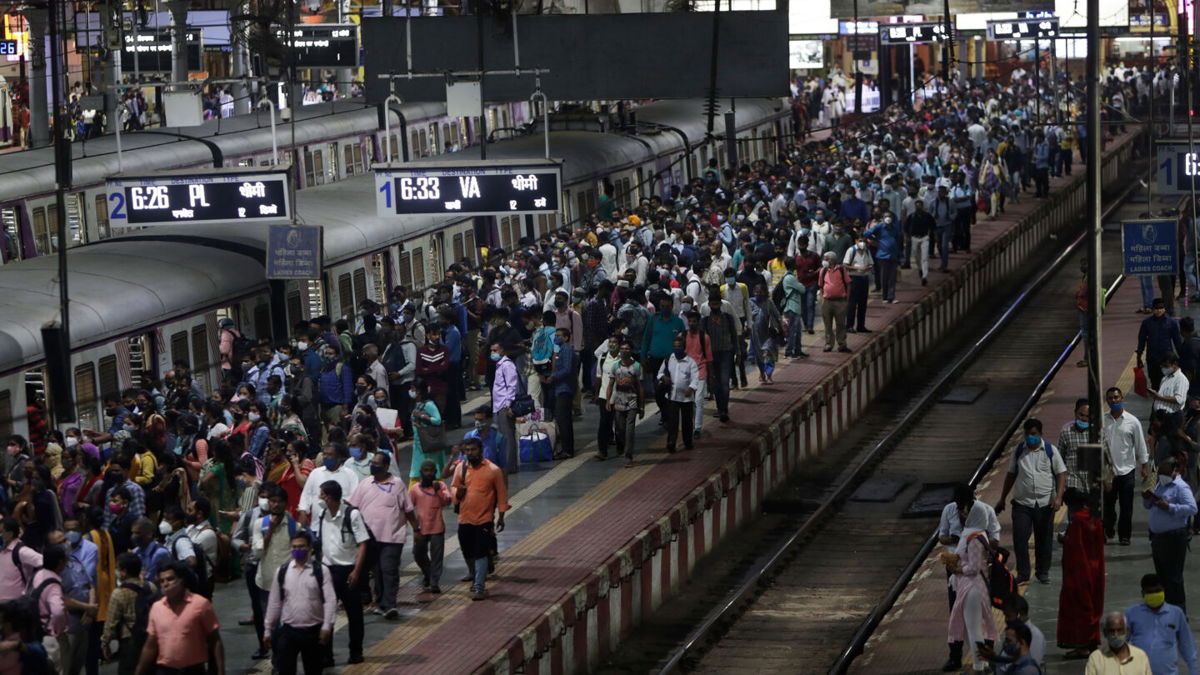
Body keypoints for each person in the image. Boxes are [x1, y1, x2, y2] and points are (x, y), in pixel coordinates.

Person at [996, 418, 1066, 585]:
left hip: (1045, 504)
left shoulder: (1050, 451)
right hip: (1022, 504)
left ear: (1041, 434)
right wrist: (1002, 498)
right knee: (1020, 538)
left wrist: (1058, 497)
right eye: (1027, 434)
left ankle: (1042, 572)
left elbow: (1061, 474)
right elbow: (1011, 474)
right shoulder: (1019, 450)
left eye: (1033, 434)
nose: (1030, 437)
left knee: (1044, 539)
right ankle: (1023, 573)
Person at [347, 452, 415, 620]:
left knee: (388, 570)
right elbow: (352, 505)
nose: (373, 466)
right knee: (376, 572)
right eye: (372, 462)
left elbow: (408, 510)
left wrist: (417, 529)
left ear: (386, 466)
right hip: (369, 539)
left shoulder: (397, 484)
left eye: (377, 463)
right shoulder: (365, 483)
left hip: (392, 536)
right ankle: (380, 602)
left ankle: (390, 605)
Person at [310, 480, 369, 664]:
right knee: (327, 614)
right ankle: (326, 655)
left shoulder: (352, 515)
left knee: (354, 614)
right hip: (328, 571)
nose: (320, 498)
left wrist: (356, 572)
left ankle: (356, 652)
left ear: (330, 496)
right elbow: (318, 541)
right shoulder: (321, 514)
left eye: (322, 494)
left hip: (348, 571)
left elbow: (363, 544)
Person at [263, 531, 335, 675]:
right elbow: (275, 602)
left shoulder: (321, 571)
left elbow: (330, 600)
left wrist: (327, 626)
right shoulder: (283, 571)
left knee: (313, 670)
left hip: (313, 632)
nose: (297, 550)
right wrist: (268, 629)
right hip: (289, 632)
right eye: (294, 547)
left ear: (310, 548)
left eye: (301, 547)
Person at [135, 561, 224, 675]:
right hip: (166, 671)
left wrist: (220, 671)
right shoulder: (157, 608)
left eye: (170, 579)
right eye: (161, 581)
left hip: (193, 671)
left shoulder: (200, 604)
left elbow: (215, 640)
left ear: (182, 580)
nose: (165, 584)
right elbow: (150, 645)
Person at [450, 438, 509, 600]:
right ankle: (475, 574)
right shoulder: (460, 468)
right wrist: (457, 493)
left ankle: (479, 586)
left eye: (473, 449)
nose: (470, 453)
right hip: (464, 518)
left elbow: (502, 494)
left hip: (485, 519)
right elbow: (453, 487)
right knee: (467, 550)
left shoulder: (493, 470)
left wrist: (501, 516)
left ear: (481, 450)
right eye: (467, 450)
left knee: (480, 552)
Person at [943, 511, 999, 673]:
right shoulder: (976, 535)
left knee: (974, 628)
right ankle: (983, 663)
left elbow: (974, 568)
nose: (964, 516)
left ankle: (979, 666)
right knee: (971, 627)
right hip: (969, 586)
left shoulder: (974, 539)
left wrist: (957, 569)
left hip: (972, 587)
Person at [1145, 456, 1197, 614]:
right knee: (1162, 577)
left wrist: (1170, 507)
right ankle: (1165, 610)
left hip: (1174, 538)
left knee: (1174, 578)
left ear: (1175, 471)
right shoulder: (1160, 484)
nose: (1162, 475)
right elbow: (1149, 505)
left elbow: (1192, 508)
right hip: (1158, 538)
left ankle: (1180, 613)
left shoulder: (1181, 487)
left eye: (1165, 472)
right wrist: (1148, 498)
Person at [1057, 490, 1105, 658]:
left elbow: (1077, 547)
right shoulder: (1094, 517)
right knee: (1093, 604)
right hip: (1096, 567)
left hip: (1079, 571)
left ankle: (1082, 645)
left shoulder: (1077, 520)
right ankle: (1091, 642)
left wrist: (1064, 539)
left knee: (1079, 606)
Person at [1104, 386, 1150, 545]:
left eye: (1116, 397)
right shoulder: (1102, 421)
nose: (1113, 400)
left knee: (1126, 507)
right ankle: (1108, 529)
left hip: (1127, 471)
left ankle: (1125, 536)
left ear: (1122, 398)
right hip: (1108, 473)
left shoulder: (1133, 421)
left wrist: (1144, 466)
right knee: (1107, 506)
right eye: (1110, 398)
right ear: (1106, 401)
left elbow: (1140, 445)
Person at [1126, 573, 1198, 675]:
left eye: (1157, 591)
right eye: (1150, 592)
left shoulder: (1176, 613)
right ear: (1143, 594)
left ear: (1164, 590)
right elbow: (1121, 642)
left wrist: (1193, 670)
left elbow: (1186, 644)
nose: (1154, 594)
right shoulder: (1132, 613)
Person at [101, 553, 156, 675]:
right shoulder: (150, 586)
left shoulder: (119, 593)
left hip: (130, 641)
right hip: (151, 639)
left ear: (124, 571)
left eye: (117, 568)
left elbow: (111, 622)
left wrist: (105, 644)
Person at [409, 459, 451, 593]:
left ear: (435, 472)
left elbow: (447, 501)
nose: (428, 473)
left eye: (431, 471)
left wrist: (438, 490)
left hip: (437, 527)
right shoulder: (415, 488)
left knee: (437, 557)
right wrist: (414, 527)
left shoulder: (441, 486)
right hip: (421, 528)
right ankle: (427, 573)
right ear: (421, 473)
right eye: (426, 471)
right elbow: (408, 507)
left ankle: (434, 582)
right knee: (418, 554)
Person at [297, 442, 361, 525]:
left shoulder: (350, 475)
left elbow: (354, 499)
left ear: (339, 457)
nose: (325, 457)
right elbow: (306, 495)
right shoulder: (315, 473)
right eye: (324, 454)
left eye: (330, 454)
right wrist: (303, 512)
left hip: (341, 524)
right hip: (317, 524)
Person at [658, 335, 701, 454]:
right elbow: (659, 373)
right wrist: (663, 377)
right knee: (673, 422)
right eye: (675, 347)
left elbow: (695, 377)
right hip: (672, 397)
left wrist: (691, 388)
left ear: (684, 347)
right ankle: (671, 442)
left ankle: (688, 442)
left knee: (687, 422)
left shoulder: (690, 362)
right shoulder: (668, 359)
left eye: (679, 347)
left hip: (686, 398)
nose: (677, 349)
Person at [703, 295, 738, 423]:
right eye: (713, 304)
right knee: (716, 383)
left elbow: (734, 335)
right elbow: (703, 340)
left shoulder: (728, 318)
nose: (715, 306)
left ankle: (724, 410)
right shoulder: (705, 321)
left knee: (724, 382)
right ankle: (720, 407)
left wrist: (738, 352)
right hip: (711, 355)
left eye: (717, 304)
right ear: (709, 305)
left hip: (726, 353)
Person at [1137, 298, 1184, 391]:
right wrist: (1139, 355)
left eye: (1161, 308)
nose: (1159, 310)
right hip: (1152, 358)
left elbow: (1177, 341)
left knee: (1168, 381)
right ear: (1153, 309)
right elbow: (1141, 340)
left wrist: (1181, 357)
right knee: (1154, 381)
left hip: (1167, 358)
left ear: (1164, 309)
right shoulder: (1146, 323)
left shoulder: (1172, 323)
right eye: (1156, 308)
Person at [1148, 353, 1190, 456]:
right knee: (1153, 441)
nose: (1163, 368)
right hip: (1159, 417)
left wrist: (1159, 397)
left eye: (1166, 365)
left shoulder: (1181, 379)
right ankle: (1154, 463)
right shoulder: (1165, 378)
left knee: (1166, 447)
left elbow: (1179, 399)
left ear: (1175, 364)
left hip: (1171, 419)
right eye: (1162, 366)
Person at [1086, 611, 1152, 675]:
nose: (1116, 635)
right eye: (1112, 631)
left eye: (1119, 630)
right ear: (1105, 633)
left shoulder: (1140, 657)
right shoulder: (1096, 658)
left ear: (1127, 632)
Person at [545, 327, 577, 459]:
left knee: (563, 419)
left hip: (565, 388)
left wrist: (554, 376)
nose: (556, 338)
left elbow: (567, 369)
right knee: (563, 419)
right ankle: (566, 447)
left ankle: (567, 449)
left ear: (566, 338)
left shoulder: (567, 350)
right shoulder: (562, 350)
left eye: (559, 335)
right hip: (560, 388)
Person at [408, 380, 446, 483]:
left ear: (419, 391)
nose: (411, 391)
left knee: (430, 466)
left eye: (413, 389)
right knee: (417, 468)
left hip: (428, 442)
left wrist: (422, 416)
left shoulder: (429, 404)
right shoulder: (416, 404)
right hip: (418, 443)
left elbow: (437, 420)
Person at [818, 250, 851, 353]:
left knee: (841, 324)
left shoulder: (841, 269)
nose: (824, 261)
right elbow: (821, 286)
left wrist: (847, 298)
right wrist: (822, 299)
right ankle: (828, 344)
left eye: (826, 259)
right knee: (827, 324)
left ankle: (842, 344)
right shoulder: (823, 271)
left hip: (840, 301)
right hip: (827, 301)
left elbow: (848, 284)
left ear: (832, 260)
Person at [843, 237, 873, 334]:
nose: (862, 243)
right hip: (854, 278)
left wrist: (867, 268)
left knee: (863, 303)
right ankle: (849, 325)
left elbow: (871, 263)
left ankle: (861, 325)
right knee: (852, 303)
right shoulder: (851, 250)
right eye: (860, 241)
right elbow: (845, 265)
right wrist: (857, 268)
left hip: (864, 278)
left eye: (864, 241)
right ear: (856, 241)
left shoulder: (867, 251)